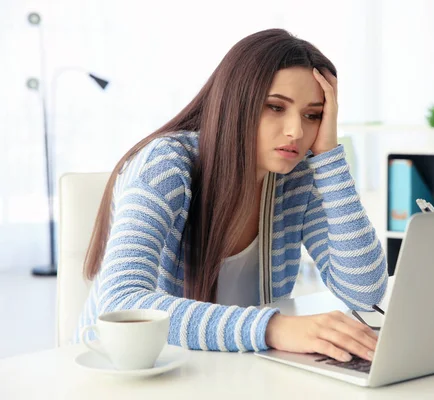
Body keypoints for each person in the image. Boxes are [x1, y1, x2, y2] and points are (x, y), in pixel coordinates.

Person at [75, 28, 388, 363]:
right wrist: (274, 328)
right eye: (275, 107)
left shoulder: (297, 177)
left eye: (312, 115)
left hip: (231, 365)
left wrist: (329, 157)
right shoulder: (166, 166)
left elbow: (365, 292)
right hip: (135, 367)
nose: (296, 131)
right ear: (235, 102)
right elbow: (120, 303)